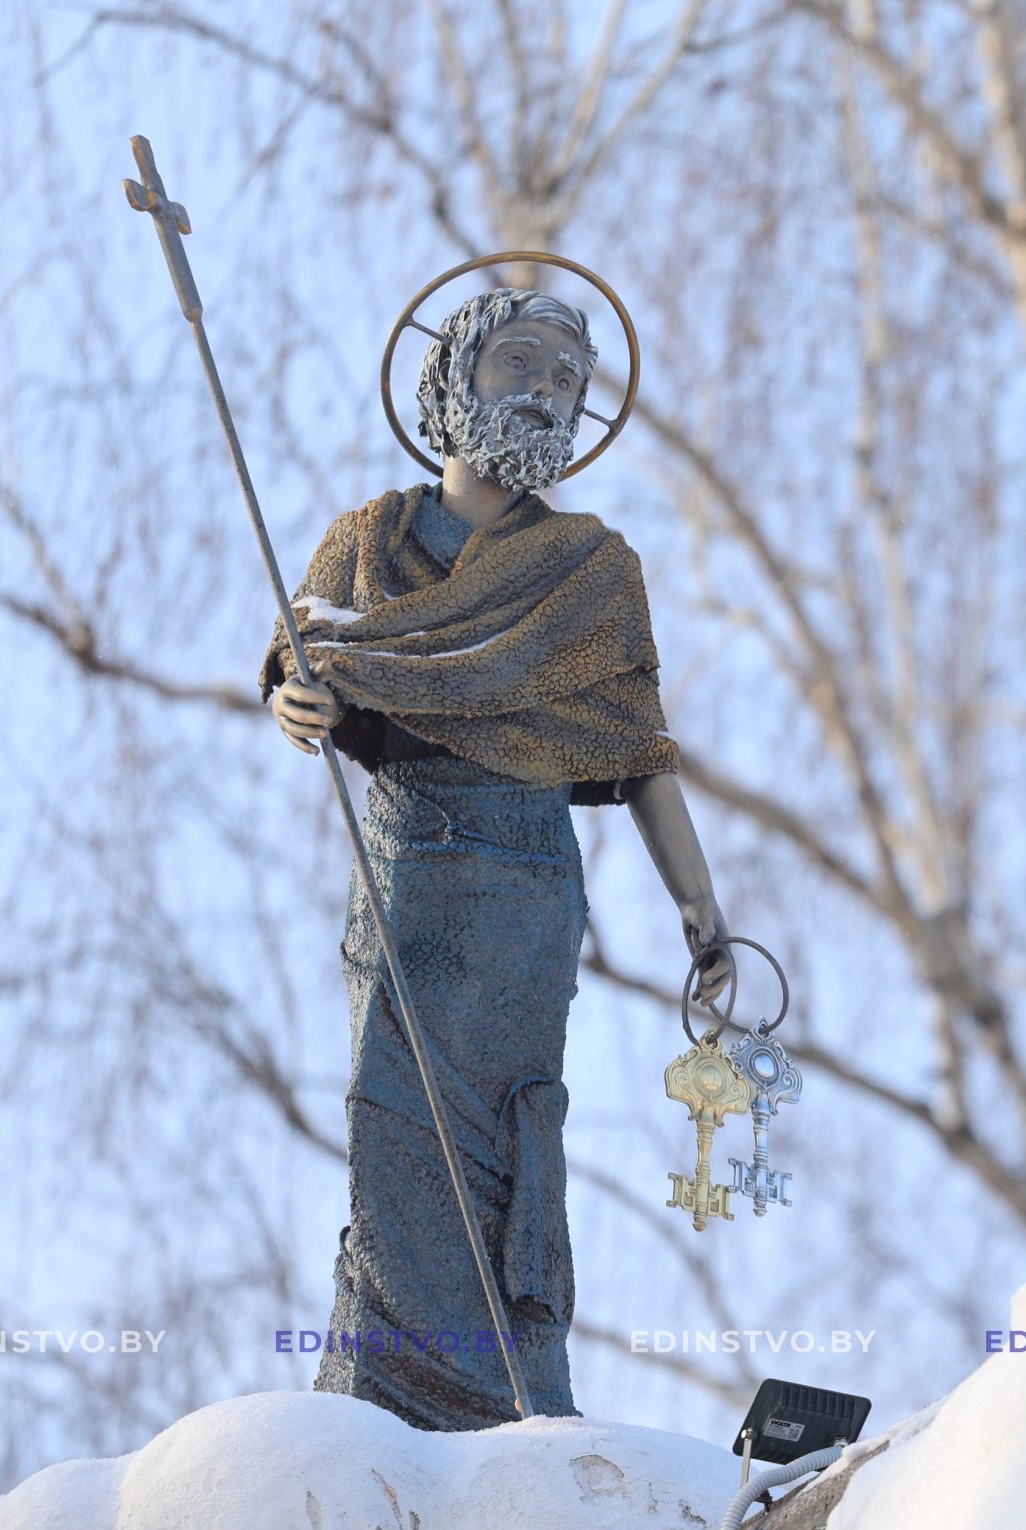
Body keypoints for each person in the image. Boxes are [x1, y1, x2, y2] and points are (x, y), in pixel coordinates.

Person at [259, 286, 732, 1429]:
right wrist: (294, 698)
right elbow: (303, 655)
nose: (541, 391)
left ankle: (513, 1391)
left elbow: (638, 749)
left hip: (523, 884)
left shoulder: (590, 574)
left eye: (566, 381)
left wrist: (701, 909)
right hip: (409, 869)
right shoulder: (366, 542)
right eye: (519, 362)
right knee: (395, 1118)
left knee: (514, 1135)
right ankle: (386, 1396)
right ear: (450, 380)